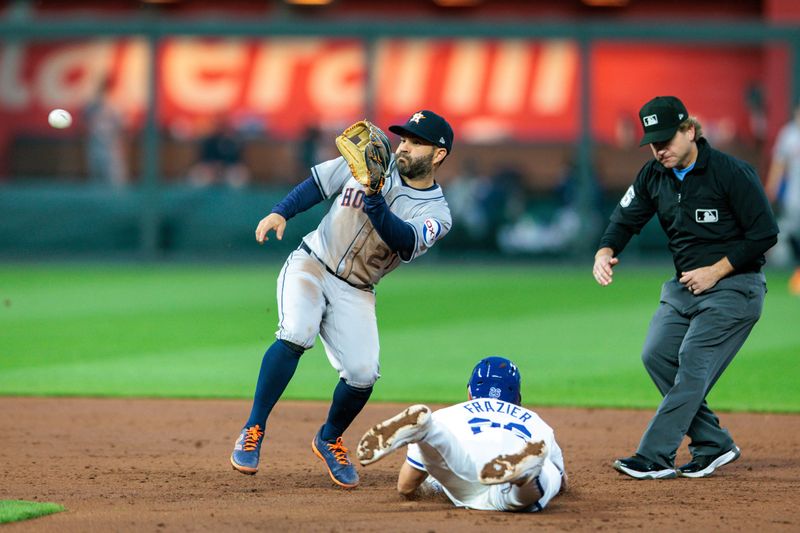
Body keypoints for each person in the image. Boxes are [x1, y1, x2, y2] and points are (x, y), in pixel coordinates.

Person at [229, 110, 454, 488]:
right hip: (313, 263)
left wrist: (373, 194)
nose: (404, 147)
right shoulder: (373, 158)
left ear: (438, 155)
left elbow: (403, 239)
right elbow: (318, 183)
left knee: (364, 373)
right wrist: (280, 212)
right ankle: (252, 428)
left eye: (416, 143)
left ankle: (329, 437)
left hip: (358, 288)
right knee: (297, 331)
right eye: (403, 139)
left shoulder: (436, 212)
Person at [593, 96, 779, 480]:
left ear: (690, 130)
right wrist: (606, 249)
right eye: (653, 142)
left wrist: (716, 271)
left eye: (667, 139)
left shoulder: (731, 173)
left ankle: (654, 456)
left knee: (693, 360)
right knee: (657, 354)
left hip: (736, 287)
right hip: (685, 289)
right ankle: (713, 444)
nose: (660, 149)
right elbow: (625, 218)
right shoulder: (652, 175)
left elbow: (765, 234)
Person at [356, 356, 566, 512]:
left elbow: (406, 487)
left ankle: (428, 432)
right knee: (546, 478)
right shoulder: (536, 421)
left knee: (452, 457)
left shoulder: (448, 415)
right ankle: (527, 475)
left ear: (469, 392)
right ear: (518, 397)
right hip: (505, 482)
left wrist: (435, 486)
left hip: (465, 476)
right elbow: (564, 484)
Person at [765, 101, 800, 294]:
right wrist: (772, 187)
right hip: (794, 198)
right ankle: (784, 270)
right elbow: (779, 163)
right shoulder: (789, 134)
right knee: (786, 233)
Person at [83, 78, 128, 187]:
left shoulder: (115, 105)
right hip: (95, 147)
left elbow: (123, 129)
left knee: (116, 183)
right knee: (96, 182)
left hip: (111, 150)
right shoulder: (91, 105)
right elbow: (83, 122)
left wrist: (123, 148)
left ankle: (118, 203)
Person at [188, 118, 251, 188]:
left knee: (238, 176)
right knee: (199, 175)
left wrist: (224, 166)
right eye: (218, 125)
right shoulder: (209, 141)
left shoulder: (233, 140)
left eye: (223, 125)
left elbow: (237, 159)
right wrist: (213, 166)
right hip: (210, 168)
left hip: (229, 168)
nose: (220, 128)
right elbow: (203, 158)